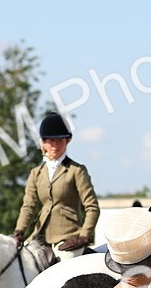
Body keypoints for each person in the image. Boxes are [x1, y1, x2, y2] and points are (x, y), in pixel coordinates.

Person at [13, 111, 99, 260]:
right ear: (43, 142)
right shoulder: (36, 173)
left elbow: (92, 207)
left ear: (67, 141)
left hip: (70, 238)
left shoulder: (76, 171)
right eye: (50, 141)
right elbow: (28, 206)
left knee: (65, 268)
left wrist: (84, 236)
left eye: (59, 141)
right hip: (40, 236)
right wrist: (19, 231)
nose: (55, 145)